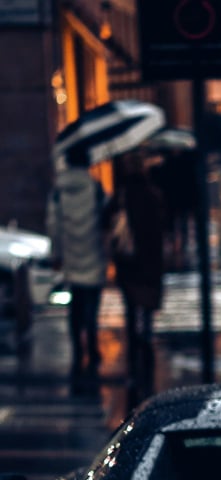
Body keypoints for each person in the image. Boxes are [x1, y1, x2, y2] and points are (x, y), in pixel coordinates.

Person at [104, 150, 166, 407]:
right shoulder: (153, 194)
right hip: (149, 263)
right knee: (146, 312)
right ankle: (146, 347)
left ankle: (135, 352)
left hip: (129, 264)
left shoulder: (121, 196)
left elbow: (106, 222)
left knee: (131, 311)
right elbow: (163, 225)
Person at [46, 144, 109, 394]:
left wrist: (57, 253)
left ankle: (77, 351)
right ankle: (92, 348)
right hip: (92, 252)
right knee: (91, 305)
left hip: (71, 254)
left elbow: (53, 223)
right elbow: (104, 219)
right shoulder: (94, 188)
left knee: (75, 307)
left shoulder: (59, 190)